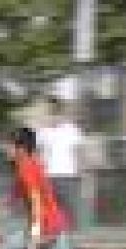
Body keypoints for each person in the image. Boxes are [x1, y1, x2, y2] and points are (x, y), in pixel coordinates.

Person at [36, 97, 85, 231]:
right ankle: (52, 238)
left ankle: (69, 240)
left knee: (69, 209)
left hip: (68, 175)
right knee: (49, 210)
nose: (52, 115)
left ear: (61, 112)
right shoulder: (43, 131)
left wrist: (80, 173)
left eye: (55, 112)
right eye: (49, 112)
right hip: (47, 176)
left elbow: (79, 152)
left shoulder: (72, 130)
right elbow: (38, 154)